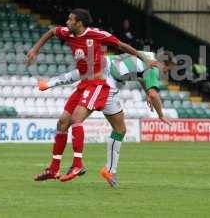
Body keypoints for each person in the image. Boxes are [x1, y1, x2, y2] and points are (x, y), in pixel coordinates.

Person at [26, 8, 156, 182]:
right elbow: (51, 31)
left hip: (96, 84)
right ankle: (53, 169)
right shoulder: (68, 33)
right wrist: (35, 50)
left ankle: (78, 164)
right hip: (83, 84)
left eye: (70, 20)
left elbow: (122, 45)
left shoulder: (97, 35)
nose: (67, 22)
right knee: (63, 122)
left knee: (76, 120)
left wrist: (144, 59)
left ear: (79, 23)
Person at [34, 51, 174, 187]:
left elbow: (139, 74)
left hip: (102, 67)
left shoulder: (146, 55)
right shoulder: (153, 68)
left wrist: (147, 92)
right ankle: (98, 168)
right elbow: (154, 94)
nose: (165, 73)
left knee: (64, 122)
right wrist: (160, 114)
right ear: (163, 63)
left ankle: (55, 168)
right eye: (167, 70)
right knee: (117, 130)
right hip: (106, 86)